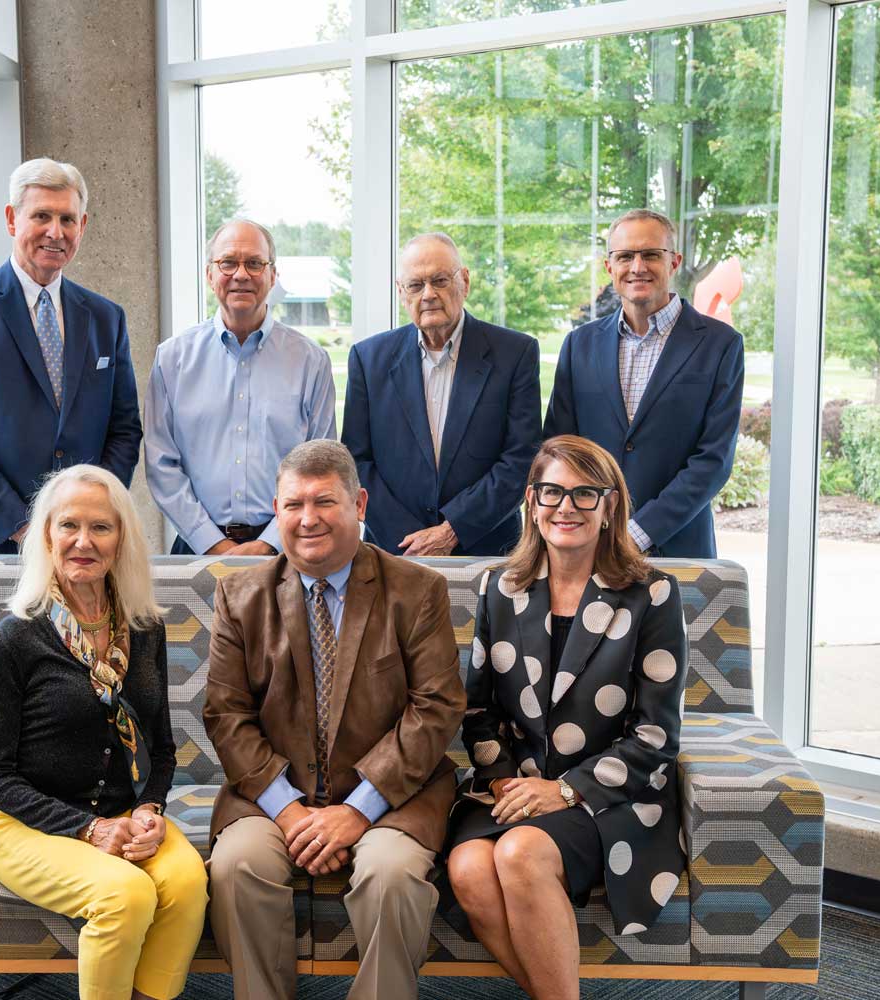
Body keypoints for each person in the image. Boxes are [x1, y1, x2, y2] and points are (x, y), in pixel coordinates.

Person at [203, 440, 465, 1000]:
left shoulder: (418, 591)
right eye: (293, 504)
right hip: (271, 793)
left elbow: (436, 708)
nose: (308, 519)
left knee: (390, 877)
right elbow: (226, 714)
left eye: (325, 501)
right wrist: (289, 810)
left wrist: (357, 809)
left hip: (393, 795)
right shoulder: (239, 594)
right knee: (236, 867)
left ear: (360, 504)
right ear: (276, 510)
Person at [446, 435, 688, 1000]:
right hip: (514, 786)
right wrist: (507, 780)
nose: (566, 507)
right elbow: (476, 711)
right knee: (467, 870)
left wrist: (568, 791)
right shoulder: (500, 587)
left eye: (585, 494)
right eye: (552, 491)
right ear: (532, 502)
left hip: (612, 796)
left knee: (519, 852)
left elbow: (656, 735)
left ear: (610, 508)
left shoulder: (651, 594)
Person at [0, 464, 206, 1000]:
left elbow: (162, 750)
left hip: (125, 817)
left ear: (121, 538)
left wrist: (149, 809)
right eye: (68, 526)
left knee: (190, 883)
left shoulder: (145, 628)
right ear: (46, 536)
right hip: (24, 826)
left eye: (101, 527)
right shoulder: (15, 638)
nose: (84, 541)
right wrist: (89, 829)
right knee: (125, 894)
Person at [0, 157, 143, 555]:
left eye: (68, 219)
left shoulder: (106, 317)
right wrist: (22, 526)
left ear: (83, 226)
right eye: (41, 215)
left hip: (80, 547)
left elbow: (124, 428)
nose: (55, 232)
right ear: (12, 219)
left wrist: (92, 516)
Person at [543, 208, 744, 558]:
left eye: (651, 254)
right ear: (610, 267)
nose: (638, 267)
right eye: (625, 256)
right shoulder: (580, 345)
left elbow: (713, 460)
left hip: (678, 548)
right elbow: (560, 448)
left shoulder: (720, 344)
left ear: (674, 262)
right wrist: (594, 525)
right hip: (590, 546)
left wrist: (637, 533)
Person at [342, 233, 541, 557]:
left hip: (487, 550)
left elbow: (522, 459)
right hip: (395, 551)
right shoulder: (368, 359)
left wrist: (452, 531)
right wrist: (412, 541)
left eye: (440, 280)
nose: (429, 294)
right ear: (401, 292)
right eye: (416, 285)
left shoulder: (515, 353)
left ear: (464, 281)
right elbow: (356, 461)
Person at [145, 219, 336, 555]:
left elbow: (320, 466)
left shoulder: (310, 361)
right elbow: (162, 464)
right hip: (196, 548)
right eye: (228, 262)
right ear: (209, 274)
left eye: (254, 263)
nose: (241, 274)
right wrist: (212, 543)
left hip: (287, 548)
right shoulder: (172, 359)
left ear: (273, 275)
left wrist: (268, 543)